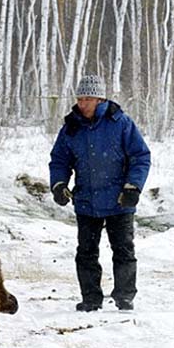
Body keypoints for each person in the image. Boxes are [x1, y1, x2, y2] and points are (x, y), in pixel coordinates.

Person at [49, 75, 151, 312]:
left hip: (119, 201)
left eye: (88, 98)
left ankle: (124, 296)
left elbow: (140, 157)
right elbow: (59, 160)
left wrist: (133, 187)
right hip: (86, 201)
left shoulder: (121, 123)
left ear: (100, 98)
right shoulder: (71, 127)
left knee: (123, 250)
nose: (82, 103)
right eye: (80, 98)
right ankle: (91, 298)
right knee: (86, 252)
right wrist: (59, 183)